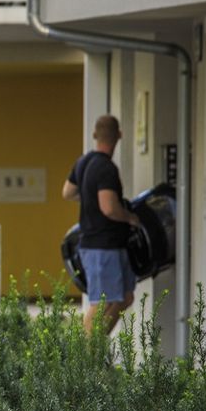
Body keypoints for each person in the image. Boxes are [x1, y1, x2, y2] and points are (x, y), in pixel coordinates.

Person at [62, 115, 141, 333]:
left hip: (105, 245)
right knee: (102, 303)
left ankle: (95, 346)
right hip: (102, 247)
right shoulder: (106, 168)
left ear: (95, 135)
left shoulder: (83, 162)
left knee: (125, 297)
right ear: (119, 135)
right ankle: (81, 358)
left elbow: (67, 193)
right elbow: (109, 208)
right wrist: (130, 218)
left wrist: (87, 199)